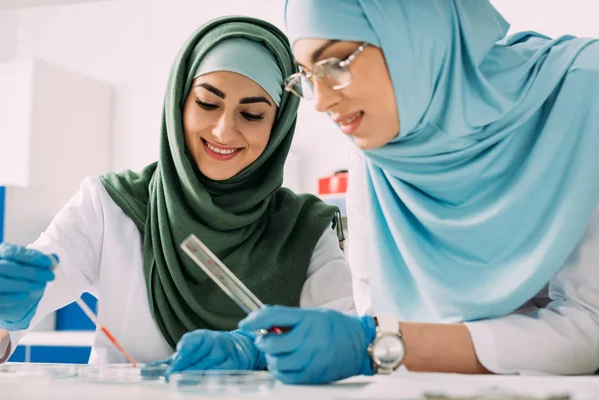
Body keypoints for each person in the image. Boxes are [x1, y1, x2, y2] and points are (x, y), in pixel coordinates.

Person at [238, 0, 599, 384]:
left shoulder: (582, 94)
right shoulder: (377, 146)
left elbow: (588, 326)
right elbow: (383, 317)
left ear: (412, 30)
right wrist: (260, 347)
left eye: (338, 64)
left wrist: (376, 343)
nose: (323, 102)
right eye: (309, 76)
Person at [0, 16, 355, 366]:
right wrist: (5, 310)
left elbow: (345, 341)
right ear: (179, 102)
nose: (223, 132)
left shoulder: (306, 229)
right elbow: (26, 304)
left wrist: (256, 354)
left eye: (252, 115)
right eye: (207, 103)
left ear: (278, 126)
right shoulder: (110, 205)